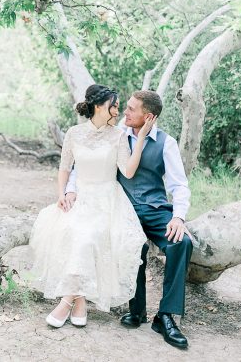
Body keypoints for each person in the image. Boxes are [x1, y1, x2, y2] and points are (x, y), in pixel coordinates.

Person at [64, 90, 193, 349]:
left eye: (132, 109)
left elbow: (179, 185)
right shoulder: (115, 133)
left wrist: (178, 217)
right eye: (126, 107)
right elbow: (84, 161)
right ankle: (137, 310)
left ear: (148, 117)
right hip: (123, 207)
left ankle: (166, 316)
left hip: (156, 209)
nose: (125, 112)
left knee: (182, 243)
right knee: (134, 245)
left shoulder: (166, 143)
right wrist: (70, 189)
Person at [29, 84, 152, 329]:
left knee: (88, 238)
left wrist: (140, 140)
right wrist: (62, 194)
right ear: (98, 106)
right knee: (70, 233)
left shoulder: (118, 135)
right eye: (114, 105)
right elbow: (65, 167)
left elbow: (127, 172)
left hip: (107, 200)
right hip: (80, 197)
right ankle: (80, 300)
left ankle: (66, 300)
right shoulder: (74, 133)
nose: (118, 110)